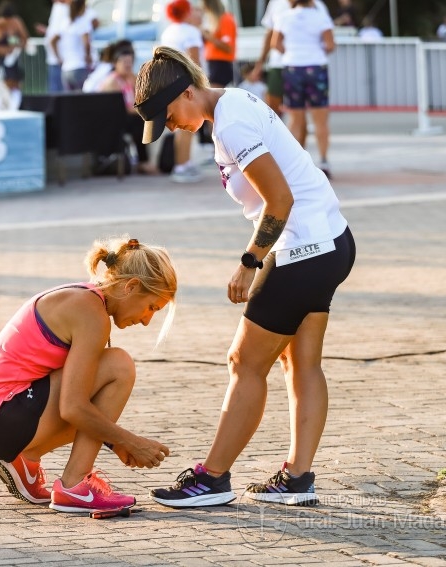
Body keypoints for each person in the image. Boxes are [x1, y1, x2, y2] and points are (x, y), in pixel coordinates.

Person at [133, 46, 356, 508]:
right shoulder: (231, 105)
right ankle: (297, 479)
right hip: (329, 241)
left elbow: (280, 200)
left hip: (304, 248)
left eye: (169, 115)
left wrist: (248, 262)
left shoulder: (231, 123)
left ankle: (211, 479)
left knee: (244, 362)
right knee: (301, 362)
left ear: (188, 92)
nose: (170, 126)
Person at [0, 236, 177, 513]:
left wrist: (112, 441)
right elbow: (73, 407)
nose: (147, 320)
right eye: (152, 307)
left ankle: (26, 460)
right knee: (119, 365)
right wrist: (129, 441)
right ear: (131, 287)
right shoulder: (89, 312)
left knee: (110, 367)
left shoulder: (87, 299)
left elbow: (82, 396)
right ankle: (74, 487)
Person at [272, 0, 336, 177]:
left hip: (292, 67)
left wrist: (292, 52)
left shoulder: (284, 16)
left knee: (295, 118)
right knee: (320, 119)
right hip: (316, 67)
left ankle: (295, 164)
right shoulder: (320, 15)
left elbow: (275, 43)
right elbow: (330, 44)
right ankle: (324, 161)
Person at [251, 0, 331, 117]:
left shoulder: (318, 5)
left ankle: (295, 136)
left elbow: (274, 40)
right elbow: (270, 34)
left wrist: (294, 54)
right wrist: (260, 63)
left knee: (297, 114)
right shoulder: (276, 3)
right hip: (281, 63)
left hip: (293, 65)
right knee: (273, 109)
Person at [160, 0, 205, 183]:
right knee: (187, 125)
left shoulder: (168, 31)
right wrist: (201, 84)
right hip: (185, 82)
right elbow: (194, 61)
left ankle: (184, 163)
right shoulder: (191, 32)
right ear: (186, 12)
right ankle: (182, 165)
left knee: (181, 125)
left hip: (169, 80)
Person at [99, 42, 160, 174]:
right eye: (124, 62)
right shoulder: (112, 82)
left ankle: (150, 161)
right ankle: (143, 162)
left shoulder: (131, 78)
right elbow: (122, 109)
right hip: (114, 121)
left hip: (128, 117)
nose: (127, 65)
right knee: (140, 123)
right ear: (115, 63)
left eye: (130, 62)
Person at [51, 0, 94, 91]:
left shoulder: (65, 22)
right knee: (81, 100)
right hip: (79, 66)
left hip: (66, 69)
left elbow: (52, 41)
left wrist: (58, 57)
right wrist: (88, 56)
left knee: (70, 101)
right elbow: (86, 43)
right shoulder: (83, 22)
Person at [201, 0, 237, 89]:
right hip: (214, 63)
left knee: (215, 94)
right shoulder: (217, 21)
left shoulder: (226, 19)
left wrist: (208, 36)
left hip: (221, 63)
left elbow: (228, 47)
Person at [38, 0, 70, 93]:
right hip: (55, 58)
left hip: (59, 59)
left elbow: (59, 34)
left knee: (57, 93)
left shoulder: (62, 8)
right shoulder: (57, 7)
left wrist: (58, 57)